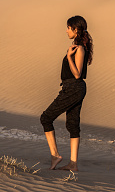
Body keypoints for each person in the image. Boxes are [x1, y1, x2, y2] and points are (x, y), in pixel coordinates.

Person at [40, 15, 93, 171]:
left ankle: (55, 155)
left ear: (75, 29)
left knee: (46, 118)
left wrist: (69, 57)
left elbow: (77, 74)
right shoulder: (78, 47)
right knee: (72, 124)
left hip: (73, 88)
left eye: (69, 28)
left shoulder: (80, 49)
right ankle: (73, 164)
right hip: (73, 88)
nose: (66, 31)